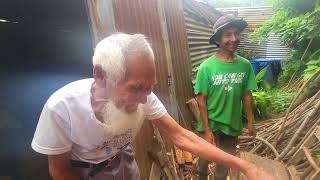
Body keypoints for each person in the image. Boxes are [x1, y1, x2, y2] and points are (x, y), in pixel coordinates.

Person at [31, 33, 273, 180]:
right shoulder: (61, 108)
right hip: (83, 172)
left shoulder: (144, 96)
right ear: (100, 75)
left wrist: (246, 167)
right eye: (135, 88)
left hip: (123, 161)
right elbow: (60, 171)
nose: (145, 100)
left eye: (150, 88)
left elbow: (181, 136)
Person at [195, 15, 258, 180]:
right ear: (218, 40)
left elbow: (246, 96)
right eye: (228, 34)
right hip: (211, 125)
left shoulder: (245, 65)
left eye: (236, 33)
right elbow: (201, 100)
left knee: (223, 168)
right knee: (203, 163)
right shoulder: (206, 67)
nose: (234, 38)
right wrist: (207, 131)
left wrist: (250, 122)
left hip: (232, 125)